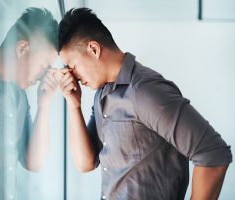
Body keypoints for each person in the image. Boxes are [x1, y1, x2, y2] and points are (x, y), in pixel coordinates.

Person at [58, 8, 232, 200]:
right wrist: (74, 105)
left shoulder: (146, 91)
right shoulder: (102, 95)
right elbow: (86, 163)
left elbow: (213, 153)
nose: (72, 75)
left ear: (94, 49)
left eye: (72, 66)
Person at [0, 7, 58, 199]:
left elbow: (34, 162)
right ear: (22, 48)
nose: (44, 77)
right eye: (44, 67)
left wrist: (44, 104)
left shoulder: (19, 95)